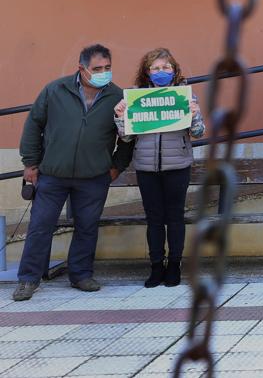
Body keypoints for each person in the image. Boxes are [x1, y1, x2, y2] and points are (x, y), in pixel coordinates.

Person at [14, 44, 126, 301]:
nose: (103, 73)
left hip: (94, 177)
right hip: (53, 174)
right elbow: (34, 125)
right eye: (97, 68)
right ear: (81, 69)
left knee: (87, 227)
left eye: (108, 68)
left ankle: (81, 275)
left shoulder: (117, 96)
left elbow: (127, 136)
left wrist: (116, 166)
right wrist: (30, 164)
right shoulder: (55, 90)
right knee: (40, 226)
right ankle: (28, 279)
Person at [112, 48, 205, 289]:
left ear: (174, 70)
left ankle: (174, 265)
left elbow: (198, 132)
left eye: (165, 67)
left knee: (175, 217)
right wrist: (121, 117)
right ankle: (156, 266)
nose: (160, 72)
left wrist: (194, 115)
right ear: (147, 72)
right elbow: (126, 137)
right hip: (146, 166)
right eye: (155, 68)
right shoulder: (136, 98)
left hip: (178, 165)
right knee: (154, 219)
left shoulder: (185, 96)